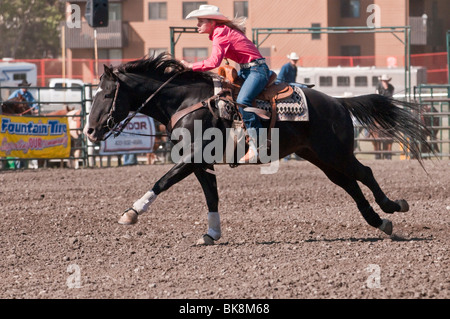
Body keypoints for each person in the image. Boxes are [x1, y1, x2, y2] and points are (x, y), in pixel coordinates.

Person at [180, 5, 270, 163]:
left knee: (243, 102)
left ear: (212, 22)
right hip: (247, 70)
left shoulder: (220, 33)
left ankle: (259, 146)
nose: (197, 25)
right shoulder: (221, 31)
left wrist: (190, 66)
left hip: (256, 70)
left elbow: (214, 62)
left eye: (201, 21)